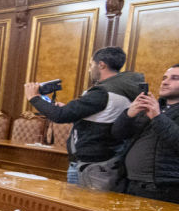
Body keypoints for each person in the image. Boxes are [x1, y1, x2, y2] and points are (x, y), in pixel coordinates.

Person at [25, 46, 144, 187]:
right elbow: (103, 117)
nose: (89, 70)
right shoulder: (121, 89)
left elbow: (59, 116)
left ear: (101, 65)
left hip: (93, 166)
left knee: (81, 201)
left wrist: (34, 98)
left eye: (91, 65)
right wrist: (72, 111)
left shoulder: (102, 92)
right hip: (104, 161)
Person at [111, 65, 179, 203]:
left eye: (174, 78)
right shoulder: (152, 106)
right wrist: (128, 115)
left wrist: (157, 117)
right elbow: (118, 133)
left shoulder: (155, 110)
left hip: (163, 188)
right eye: (164, 78)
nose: (165, 82)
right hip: (130, 182)